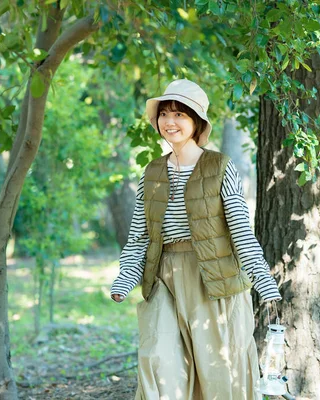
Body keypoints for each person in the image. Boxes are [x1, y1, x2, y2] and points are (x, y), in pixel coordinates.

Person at [110, 79, 281, 400]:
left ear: (196, 122)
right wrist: (125, 279)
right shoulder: (152, 172)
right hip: (164, 278)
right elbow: (138, 238)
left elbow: (240, 230)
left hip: (214, 279)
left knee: (219, 372)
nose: (169, 122)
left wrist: (262, 278)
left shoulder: (219, 167)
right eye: (164, 114)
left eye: (179, 115)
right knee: (158, 360)